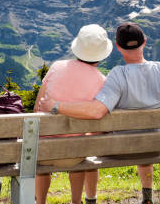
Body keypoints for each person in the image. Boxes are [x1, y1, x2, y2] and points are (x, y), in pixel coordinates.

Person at [39, 22, 160, 204]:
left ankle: (87, 200)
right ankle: (147, 196)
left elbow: (97, 111)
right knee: (144, 137)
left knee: (95, 138)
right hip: (155, 146)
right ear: (144, 41)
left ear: (118, 47)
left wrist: (55, 105)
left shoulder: (117, 75)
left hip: (119, 150)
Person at [34, 24, 113, 204]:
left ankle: (40, 202)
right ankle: (76, 201)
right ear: (102, 54)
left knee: (44, 159)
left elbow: (37, 108)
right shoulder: (102, 81)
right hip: (75, 153)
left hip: (45, 151)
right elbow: (98, 124)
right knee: (80, 149)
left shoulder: (56, 67)